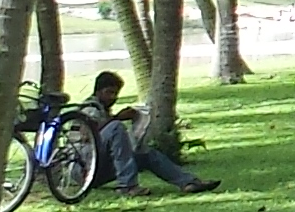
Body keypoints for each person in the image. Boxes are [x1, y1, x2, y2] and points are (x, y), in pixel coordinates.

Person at [79, 70, 214, 193]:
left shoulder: (104, 110)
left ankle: (188, 182)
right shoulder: (90, 108)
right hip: (84, 168)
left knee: (148, 154)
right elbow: (86, 135)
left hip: (101, 168)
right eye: (109, 92)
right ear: (98, 92)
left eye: (115, 94)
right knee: (116, 127)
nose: (113, 97)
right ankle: (128, 186)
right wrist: (116, 119)